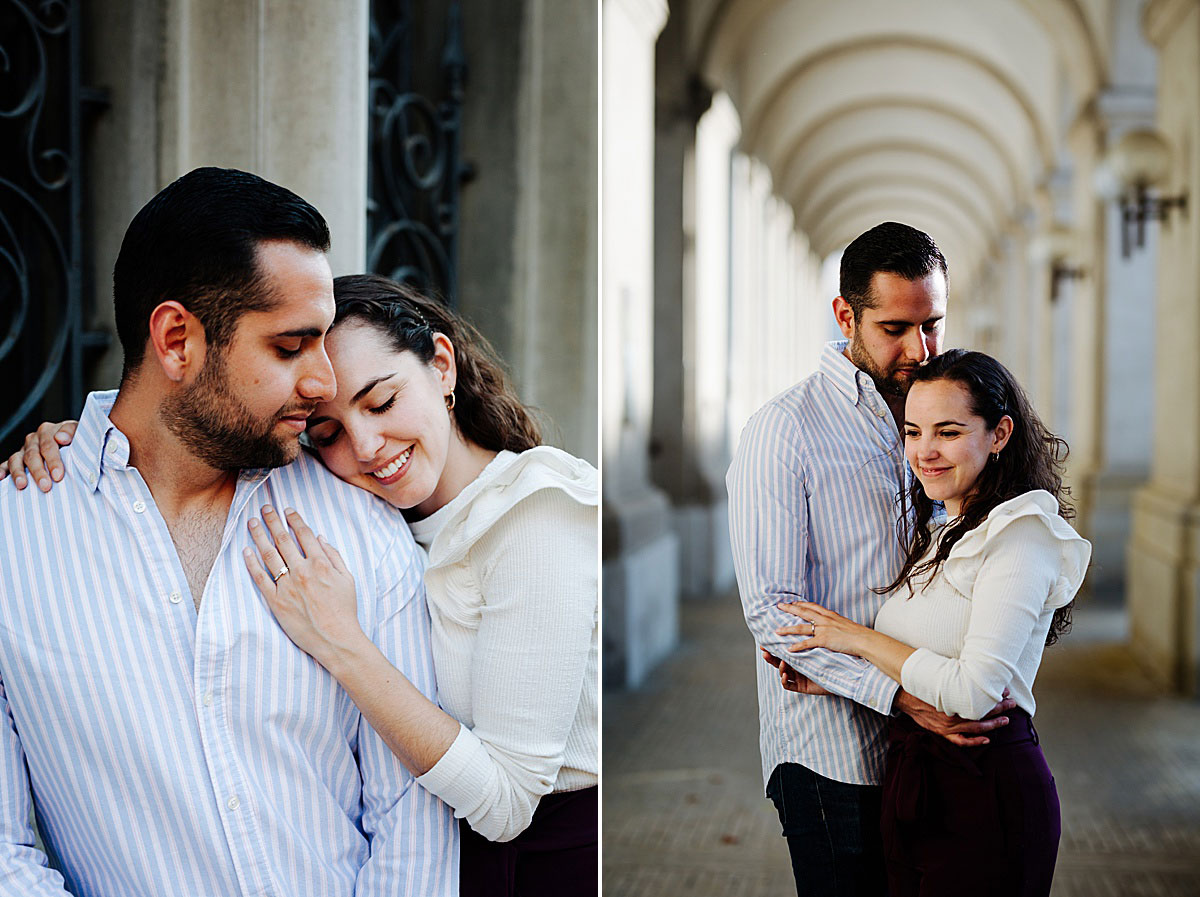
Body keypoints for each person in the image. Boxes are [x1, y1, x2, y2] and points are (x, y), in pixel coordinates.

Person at [5, 275, 600, 897]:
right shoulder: (376, 511)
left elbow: (506, 804)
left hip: (545, 857)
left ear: (442, 366)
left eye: (382, 402)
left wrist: (343, 644)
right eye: (328, 434)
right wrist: (85, 448)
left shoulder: (536, 516)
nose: (367, 447)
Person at [0, 167, 458, 896]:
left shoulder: (359, 521)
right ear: (177, 339)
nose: (323, 380)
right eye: (289, 347)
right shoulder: (15, 540)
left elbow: (415, 824)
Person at [727, 222, 1014, 897]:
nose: (920, 348)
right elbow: (773, 612)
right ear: (845, 316)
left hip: (929, 750)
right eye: (896, 328)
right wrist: (907, 698)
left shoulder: (939, 423)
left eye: (934, 324)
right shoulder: (785, 429)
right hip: (832, 758)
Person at [775, 349, 1090, 896]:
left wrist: (854, 638)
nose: (924, 452)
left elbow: (972, 693)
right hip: (914, 781)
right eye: (913, 431)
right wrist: (828, 677)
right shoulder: (946, 527)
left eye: (947, 432)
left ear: (999, 433)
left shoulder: (1022, 534)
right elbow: (927, 653)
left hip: (984, 789)